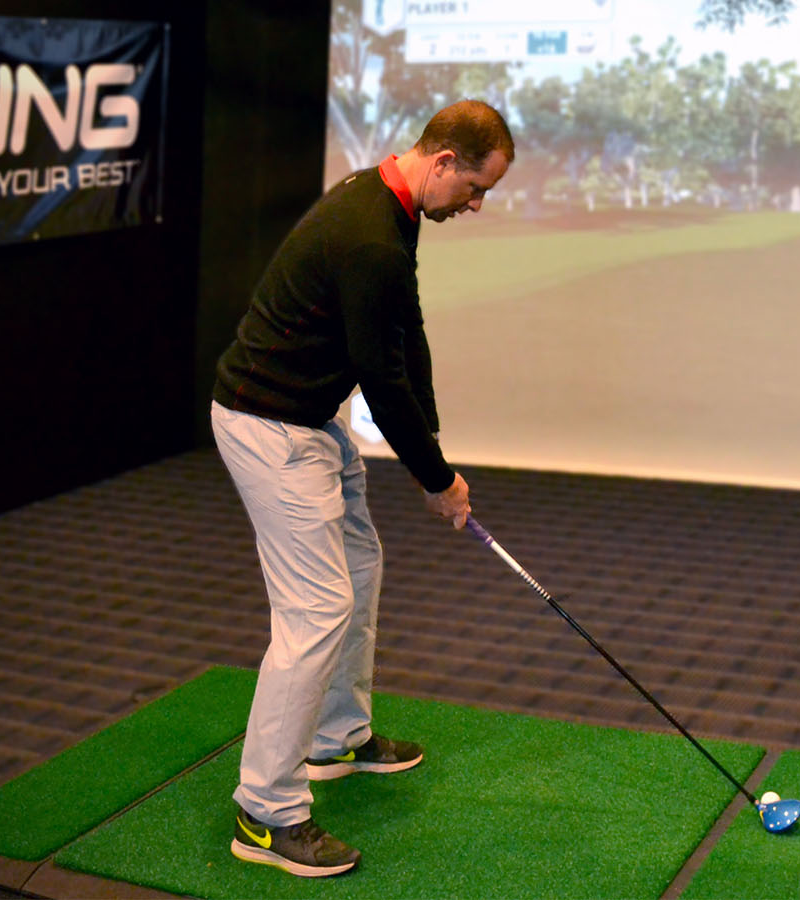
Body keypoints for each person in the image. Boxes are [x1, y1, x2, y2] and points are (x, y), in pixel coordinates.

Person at [210, 99, 513, 878]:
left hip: (311, 420)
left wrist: (433, 455)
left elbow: (405, 332)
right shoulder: (370, 234)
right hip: (269, 425)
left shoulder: (392, 202)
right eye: (476, 188)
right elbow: (379, 378)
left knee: (362, 569)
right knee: (315, 609)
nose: (476, 206)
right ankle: (265, 813)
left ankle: (336, 738)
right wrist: (436, 480)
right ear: (443, 161)